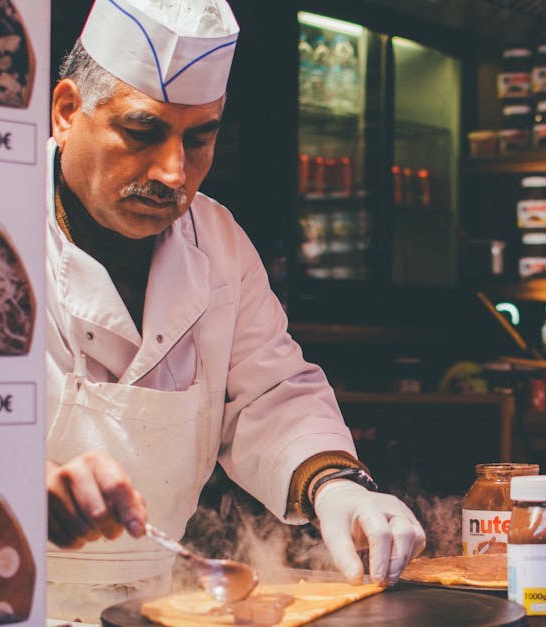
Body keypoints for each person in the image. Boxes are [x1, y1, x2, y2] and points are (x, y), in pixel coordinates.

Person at [43, 1, 425, 621]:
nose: (174, 172)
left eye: (200, 139)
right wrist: (14, 477)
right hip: (2, 593)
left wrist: (336, 488)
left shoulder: (217, 240)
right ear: (66, 112)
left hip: (152, 604)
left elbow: (269, 392)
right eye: (142, 131)